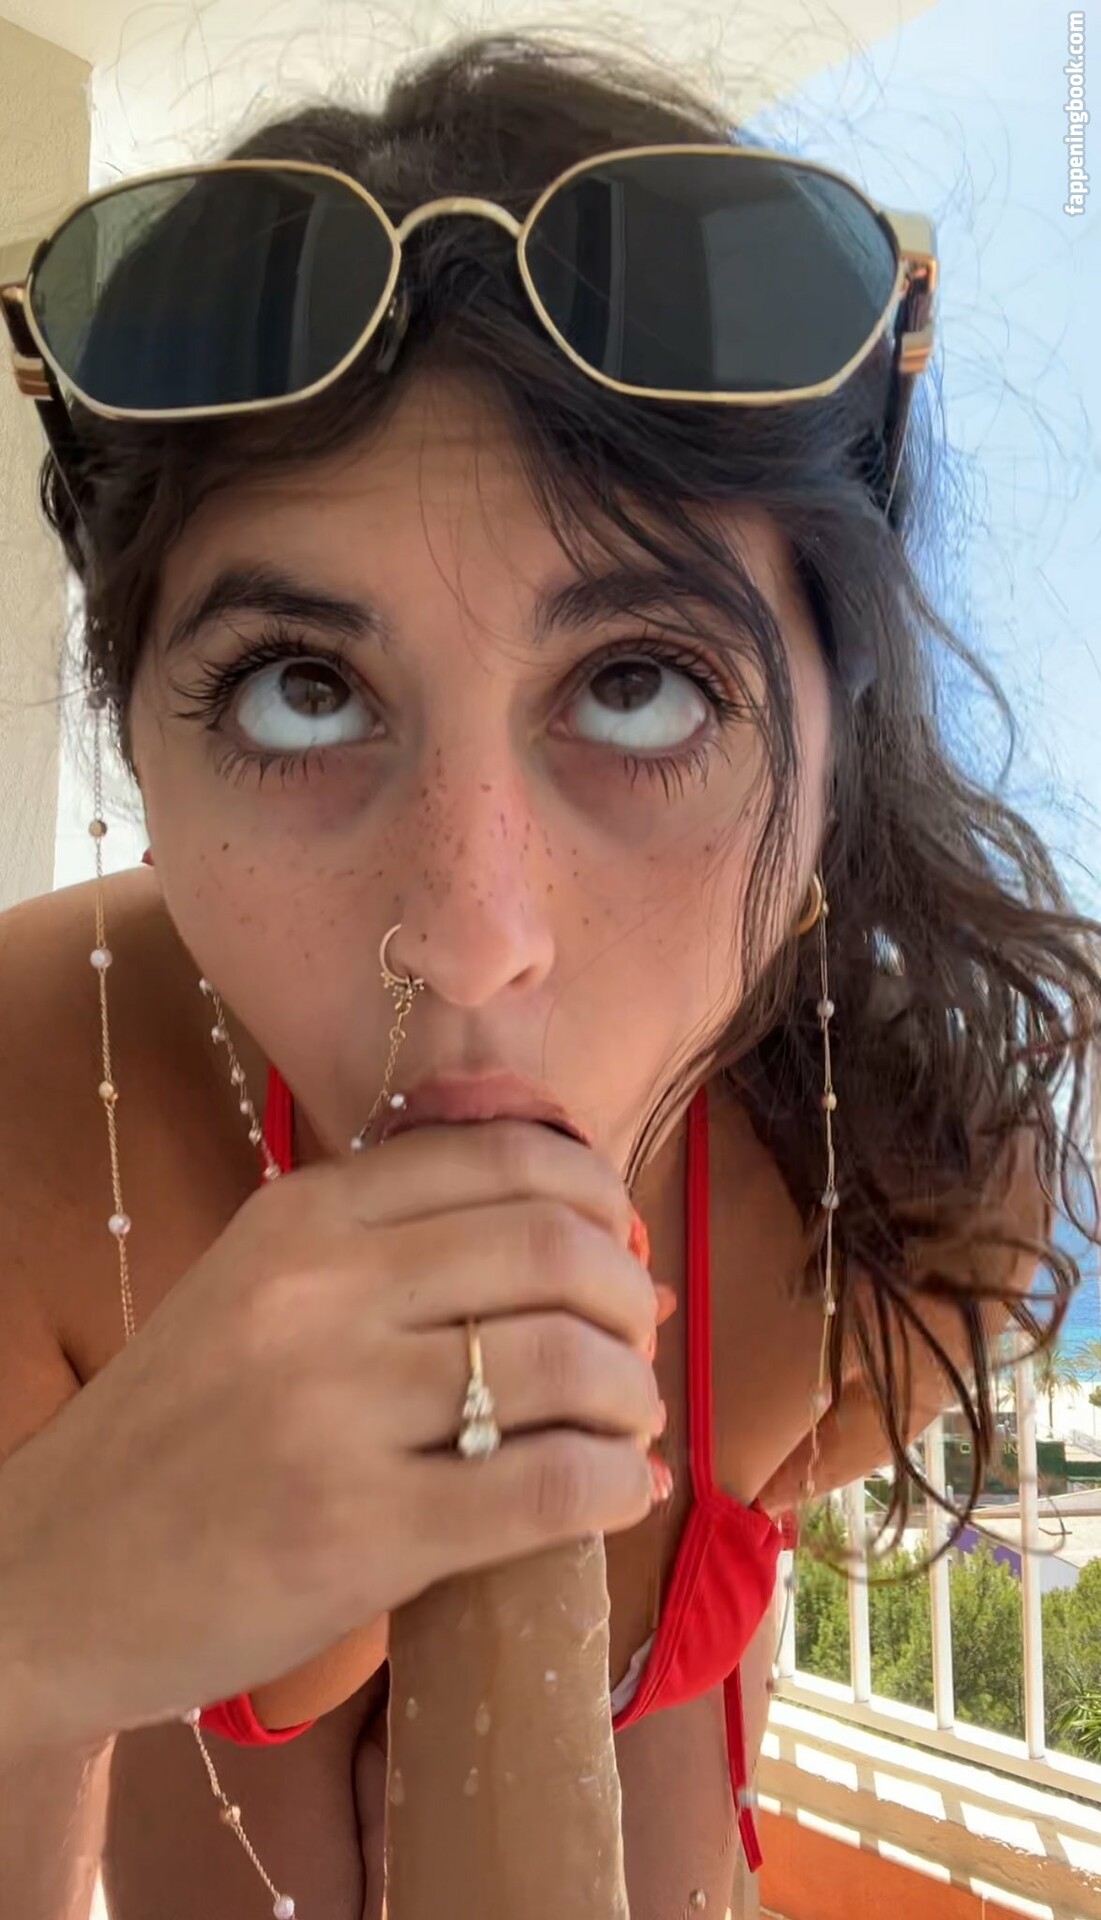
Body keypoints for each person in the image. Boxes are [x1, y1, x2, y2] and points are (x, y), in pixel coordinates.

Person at [0, 27, 1095, 1920]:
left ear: (833, 742)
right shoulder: (29, 1111)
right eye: (303, 690)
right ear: (142, 749)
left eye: (637, 683)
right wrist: (35, 1621)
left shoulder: (913, 1180)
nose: (474, 931)